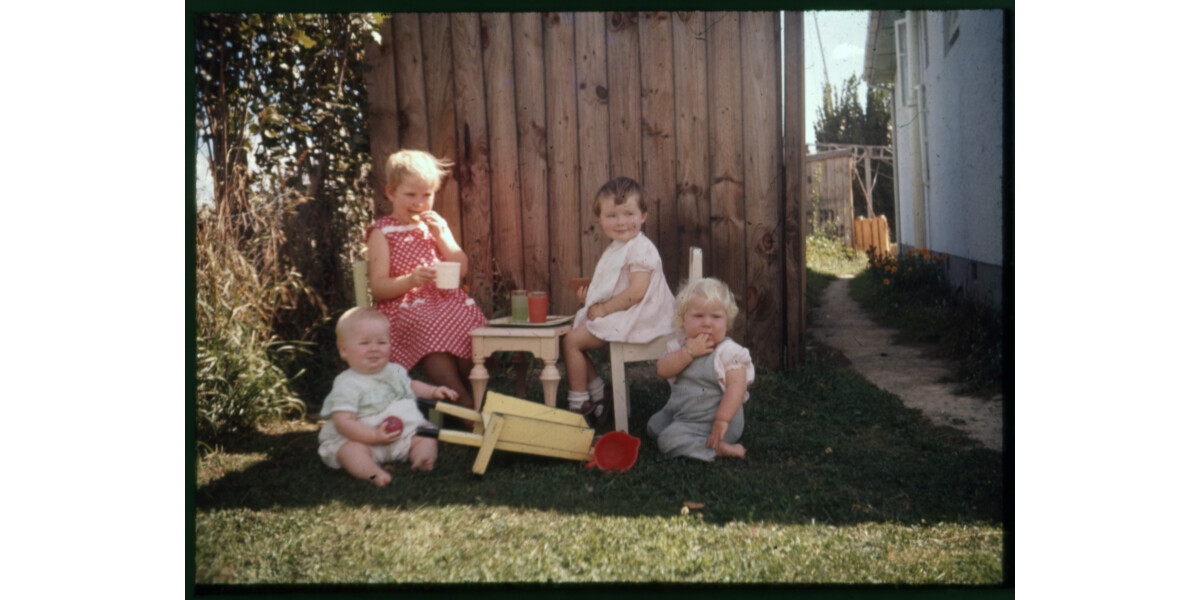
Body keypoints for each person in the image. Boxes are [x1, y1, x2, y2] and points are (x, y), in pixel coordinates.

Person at [365, 150, 487, 420]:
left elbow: (461, 268)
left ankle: (479, 396)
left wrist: (442, 235)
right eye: (411, 195)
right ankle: (463, 404)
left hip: (445, 300)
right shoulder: (382, 232)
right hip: (404, 305)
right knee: (430, 329)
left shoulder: (435, 225)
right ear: (390, 193)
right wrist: (410, 280)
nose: (420, 203)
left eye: (427, 195)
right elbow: (379, 287)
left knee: (471, 325)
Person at [561, 176, 676, 424]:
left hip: (644, 315)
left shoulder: (641, 248)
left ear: (643, 215)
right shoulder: (621, 245)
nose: (621, 222)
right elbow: (619, 285)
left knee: (571, 341)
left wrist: (603, 308)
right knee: (574, 335)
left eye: (629, 214)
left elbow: (636, 292)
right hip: (630, 311)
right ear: (600, 219)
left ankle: (579, 404)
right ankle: (597, 394)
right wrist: (591, 298)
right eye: (612, 216)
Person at [317, 307, 457, 486]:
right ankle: (373, 474)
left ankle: (422, 459)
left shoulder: (395, 370)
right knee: (350, 452)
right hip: (362, 440)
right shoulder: (347, 383)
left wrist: (432, 391)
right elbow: (343, 422)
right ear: (344, 350)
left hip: (402, 437)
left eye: (381, 342)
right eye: (364, 343)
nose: (374, 349)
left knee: (427, 434)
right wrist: (374, 436)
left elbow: (410, 386)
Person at [647, 277, 754, 461]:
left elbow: (737, 387)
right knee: (654, 426)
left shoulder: (729, 352)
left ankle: (717, 448)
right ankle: (687, 435)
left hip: (715, 423)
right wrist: (688, 352)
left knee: (666, 440)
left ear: (726, 322)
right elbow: (662, 370)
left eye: (716, 317)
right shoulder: (680, 346)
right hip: (684, 414)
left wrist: (722, 420)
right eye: (698, 316)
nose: (707, 323)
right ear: (683, 321)